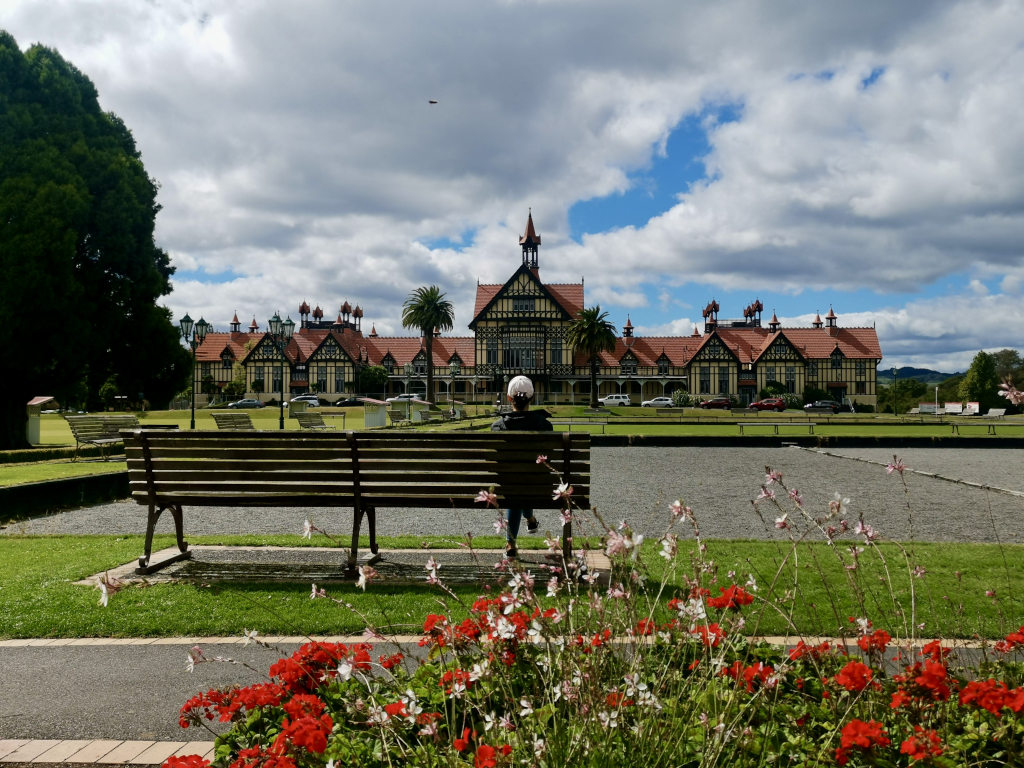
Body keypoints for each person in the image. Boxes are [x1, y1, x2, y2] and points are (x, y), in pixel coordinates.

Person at [490, 375, 552, 558]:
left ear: (509, 398)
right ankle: (530, 520)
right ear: (532, 398)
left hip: (509, 485)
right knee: (524, 483)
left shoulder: (497, 427)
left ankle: (510, 543)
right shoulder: (545, 426)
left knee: (515, 487)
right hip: (537, 485)